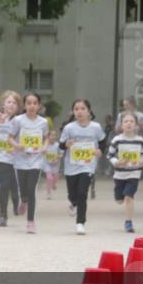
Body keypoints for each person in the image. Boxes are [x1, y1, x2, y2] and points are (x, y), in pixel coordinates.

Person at [59, 98, 106, 235]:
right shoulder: (69, 128)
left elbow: (103, 141)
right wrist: (66, 144)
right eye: (76, 109)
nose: (79, 112)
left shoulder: (95, 127)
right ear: (73, 112)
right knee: (72, 194)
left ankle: (80, 222)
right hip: (71, 166)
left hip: (87, 165)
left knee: (82, 192)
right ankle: (73, 203)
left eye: (82, 109)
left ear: (88, 111)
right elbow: (61, 144)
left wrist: (100, 151)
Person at [9, 92, 48, 233]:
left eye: (35, 103)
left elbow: (46, 138)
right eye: (29, 103)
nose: (32, 106)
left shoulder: (43, 122)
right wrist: (16, 145)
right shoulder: (18, 120)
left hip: (35, 160)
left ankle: (31, 221)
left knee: (32, 189)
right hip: (21, 160)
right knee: (24, 189)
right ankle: (23, 200)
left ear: (39, 105)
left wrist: (44, 146)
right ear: (24, 105)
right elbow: (10, 137)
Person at [108, 111, 143, 233]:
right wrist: (117, 162)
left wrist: (142, 162)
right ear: (121, 125)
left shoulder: (140, 140)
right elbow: (110, 155)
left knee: (129, 197)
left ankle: (128, 222)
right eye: (126, 121)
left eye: (132, 121)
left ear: (136, 125)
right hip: (119, 174)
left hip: (134, 173)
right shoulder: (117, 140)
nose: (129, 124)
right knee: (119, 199)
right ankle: (118, 196)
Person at [0, 91, 22, 226]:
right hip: (2, 157)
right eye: (9, 102)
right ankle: (2, 214)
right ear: (3, 104)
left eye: (14, 103)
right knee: (4, 186)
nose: (11, 105)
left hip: (17, 159)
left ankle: (16, 202)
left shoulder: (20, 120)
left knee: (15, 186)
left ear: (18, 107)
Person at [42, 130, 63, 200]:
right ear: (48, 136)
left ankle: (54, 184)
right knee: (49, 178)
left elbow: (61, 154)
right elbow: (41, 152)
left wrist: (57, 157)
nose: (53, 137)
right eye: (51, 135)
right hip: (47, 163)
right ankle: (49, 193)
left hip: (56, 164)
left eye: (54, 135)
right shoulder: (45, 145)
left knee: (55, 178)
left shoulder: (58, 145)